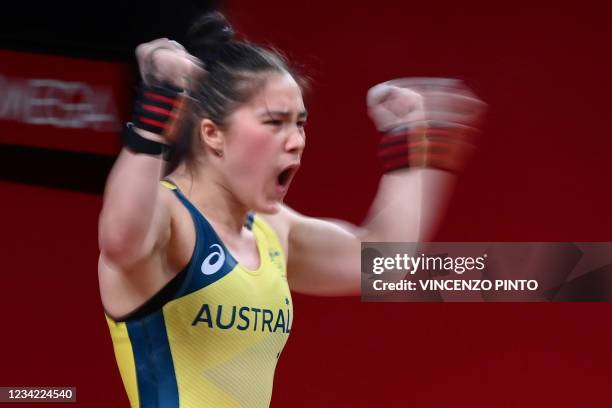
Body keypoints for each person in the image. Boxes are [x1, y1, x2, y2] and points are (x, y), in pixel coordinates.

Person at [98, 12, 484, 408]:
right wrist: (158, 103)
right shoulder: (169, 217)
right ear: (212, 134)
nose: (297, 140)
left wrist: (407, 146)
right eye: (275, 122)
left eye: (300, 123)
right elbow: (119, 238)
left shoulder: (271, 229)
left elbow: (383, 260)